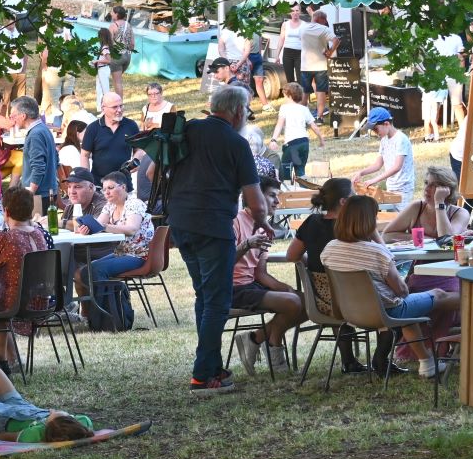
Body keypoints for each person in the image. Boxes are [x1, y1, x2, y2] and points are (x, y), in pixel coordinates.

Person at [164, 85, 267, 395]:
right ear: (237, 112)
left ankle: (213, 367)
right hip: (213, 226)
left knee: (204, 298)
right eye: (246, 112)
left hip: (181, 223)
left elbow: (157, 168)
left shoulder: (188, 130)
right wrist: (264, 223)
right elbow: (256, 202)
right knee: (217, 302)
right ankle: (203, 374)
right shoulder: (236, 143)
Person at [320, 195, 456, 379]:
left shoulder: (329, 249)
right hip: (387, 312)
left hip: (349, 313)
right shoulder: (376, 252)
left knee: (411, 310)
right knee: (438, 294)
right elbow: (402, 291)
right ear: (369, 221)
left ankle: (427, 362)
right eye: (374, 217)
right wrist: (376, 237)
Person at [285, 178, 390, 374]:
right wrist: (372, 230)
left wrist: (316, 265)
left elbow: (292, 256)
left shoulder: (312, 222)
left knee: (339, 294)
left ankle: (348, 361)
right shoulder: (354, 228)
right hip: (361, 302)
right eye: (353, 195)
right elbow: (384, 255)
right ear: (344, 202)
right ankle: (381, 360)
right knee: (388, 298)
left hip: (323, 300)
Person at [381, 167, 469, 363]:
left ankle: (439, 349)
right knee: (411, 294)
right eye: (427, 183)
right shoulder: (416, 208)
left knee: (450, 293)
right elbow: (387, 234)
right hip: (420, 269)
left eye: (434, 185)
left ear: (446, 190)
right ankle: (424, 351)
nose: (427, 189)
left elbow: (447, 240)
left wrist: (439, 205)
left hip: (450, 270)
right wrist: (418, 238)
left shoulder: (460, 213)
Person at [228, 178, 306, 375]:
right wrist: (247, 244)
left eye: (277, 197)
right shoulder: (235, 221)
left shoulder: (264, 228)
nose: (277, 202)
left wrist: (287, 289)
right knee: (293, 303)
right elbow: (224, 263)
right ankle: (274, 345)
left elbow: (260, 274)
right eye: (272, 196)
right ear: (254, 197)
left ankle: (255, 338)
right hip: (233, 289)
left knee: (307, 303)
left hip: (252, 285)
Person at [0, 186, 49, 362]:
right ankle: (8, 359)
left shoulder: (6, 238)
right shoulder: (39, 234)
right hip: (40, 301)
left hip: (14, 303)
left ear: (5, 211)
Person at [0, 355, 93, 442]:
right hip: (18, 404)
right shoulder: (82, 423)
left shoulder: (35, 433)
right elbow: (84, 422)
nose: (51, 410)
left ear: (48, 425)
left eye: (51, 413)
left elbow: (2, 437)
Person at [81, 169, 155, 286]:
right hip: (122, 252)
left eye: (110, 188)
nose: (106, 192)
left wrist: (104, 226)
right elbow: (98, 225)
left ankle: (110, 302)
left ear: (123, 187)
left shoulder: (134, 203)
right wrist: (87, 228)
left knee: (95, 270)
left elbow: (132, 229)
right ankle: (114, 299)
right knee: (85, 271)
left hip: (140, 255)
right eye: (104, 189)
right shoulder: (110, 206)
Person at [351, 107, 415, 203]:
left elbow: (397, 167)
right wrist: (361, 172)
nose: (375, 133)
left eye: (376, 129)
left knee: (399, 216)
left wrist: (374, 180)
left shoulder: (401, 139)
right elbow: (378, 165)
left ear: (386, 124)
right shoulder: (384, 140)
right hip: (391, 186)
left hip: (403, 188)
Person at [268, 82, 325, 181]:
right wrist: (321, 140)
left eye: (285, 95)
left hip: (292, 144)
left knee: (286, 170)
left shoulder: (284, 108)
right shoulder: (304, 109)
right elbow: (314, 127)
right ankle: (303, 190)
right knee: (300, 170)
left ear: (289, 96)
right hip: (304, 143)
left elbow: (279, 124)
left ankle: (287, 192)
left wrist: (274, 139)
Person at [79, 92, 138, 183]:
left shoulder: (131, 125)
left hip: (124, 183)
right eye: (115, 107)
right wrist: (86, 179)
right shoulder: (93, 128)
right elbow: (84, 155)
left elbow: (139, 149)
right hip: (99, 183)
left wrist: (135, 160)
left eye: (121, 106)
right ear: (103, 108)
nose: (119, 110)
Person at [12, 96, 58, 212]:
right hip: (47, 192)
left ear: (23, 116)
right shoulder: (43, 129)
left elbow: (38, 166)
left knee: (36, 228)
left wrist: (30, 192)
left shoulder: (35, 134)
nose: (13, 119)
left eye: (14, 115)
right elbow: (56, 159)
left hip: (38, 196)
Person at [298, 10, 339, 118]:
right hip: (320, 65)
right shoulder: (323, 29)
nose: (325, 22)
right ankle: (319, 117)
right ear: (319, 19)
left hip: (305, 65)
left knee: (305, 91)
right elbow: (336, 40)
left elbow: (300, 40)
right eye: (324, 20)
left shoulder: (302, 28)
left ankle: (302, 117)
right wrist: (330, 51)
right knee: (321, 91)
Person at [274, 5, 305, 102]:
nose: (295, 13)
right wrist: (277, 55)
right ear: (290, 13)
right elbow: (281, 39)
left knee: (300, 77)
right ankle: (291, 99)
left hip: (299, 53)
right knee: (289, 78)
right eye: (293, 11)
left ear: (300, 12)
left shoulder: (304, 24)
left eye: (297, 10)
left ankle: (302, 100)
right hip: (287, 52)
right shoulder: (285, 24)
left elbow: (307, 41)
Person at [108, 5, 135, 96]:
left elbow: (109, 42)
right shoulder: (128, 25)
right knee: (118, 80)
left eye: (112, 12)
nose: (111, 14)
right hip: (127, 55)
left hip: (117, 55)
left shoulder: (113, 26)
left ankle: (119, 104)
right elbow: (132, 44)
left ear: (117, 14)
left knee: (117, 82)